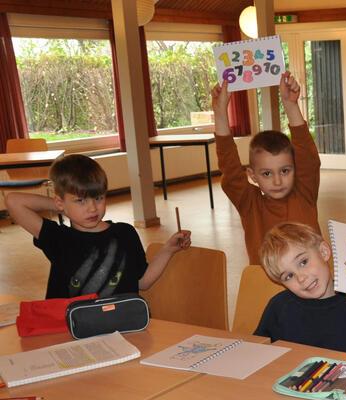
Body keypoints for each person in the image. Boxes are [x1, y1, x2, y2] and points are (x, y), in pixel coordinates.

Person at [6, 154, 191, 299]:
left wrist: (168, 250)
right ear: (60, 203)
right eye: (80, 201)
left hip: (122, 326)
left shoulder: (124, 233)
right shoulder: (58, 238)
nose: (92, 208)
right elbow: (13, 201)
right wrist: (64, 208)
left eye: (98, 197)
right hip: (71, 332)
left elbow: (142, 282)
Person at [212, 72, 321, 265]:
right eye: (267, 174)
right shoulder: (250, 204)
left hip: (312, 285)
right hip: (267, 290)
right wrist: (220, 113)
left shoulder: (304, 194)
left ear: (295, 169)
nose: (277, 181)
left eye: (285, 171)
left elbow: (308, 158)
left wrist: (290, 105)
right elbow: (230, 168)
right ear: (252, 175)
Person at [254, 222, 346, 358]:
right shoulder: (279, 307)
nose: (301, 278)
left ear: (323, 252)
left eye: (303, 262)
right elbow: (256, 353)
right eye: (289, 276)